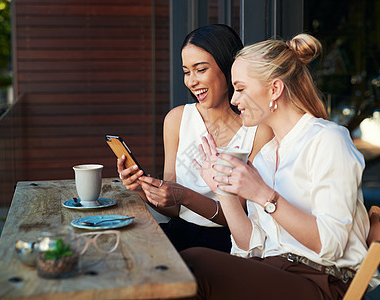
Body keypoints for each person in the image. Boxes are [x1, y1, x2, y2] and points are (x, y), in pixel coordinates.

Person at [180, 33, 380, 299]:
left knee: (191, 265)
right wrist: (223, 192)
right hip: (275, 273)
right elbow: (250, 247)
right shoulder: (265, 155)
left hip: (321, 282)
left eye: (240, 88)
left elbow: (330, 245)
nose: (233, 100)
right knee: (180, 266)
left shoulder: (327, 140)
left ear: (275, 89)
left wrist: (263, 194)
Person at [117, 24, 273, 253]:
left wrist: (184, 195)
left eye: (200, 70)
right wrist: (143, 188)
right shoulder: (176, 119)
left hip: (230, 245)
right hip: (180, 233)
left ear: (228, 68)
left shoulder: (258, 130)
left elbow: (239, 217)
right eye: (186, 72)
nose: (191, 81)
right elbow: (172, 209)